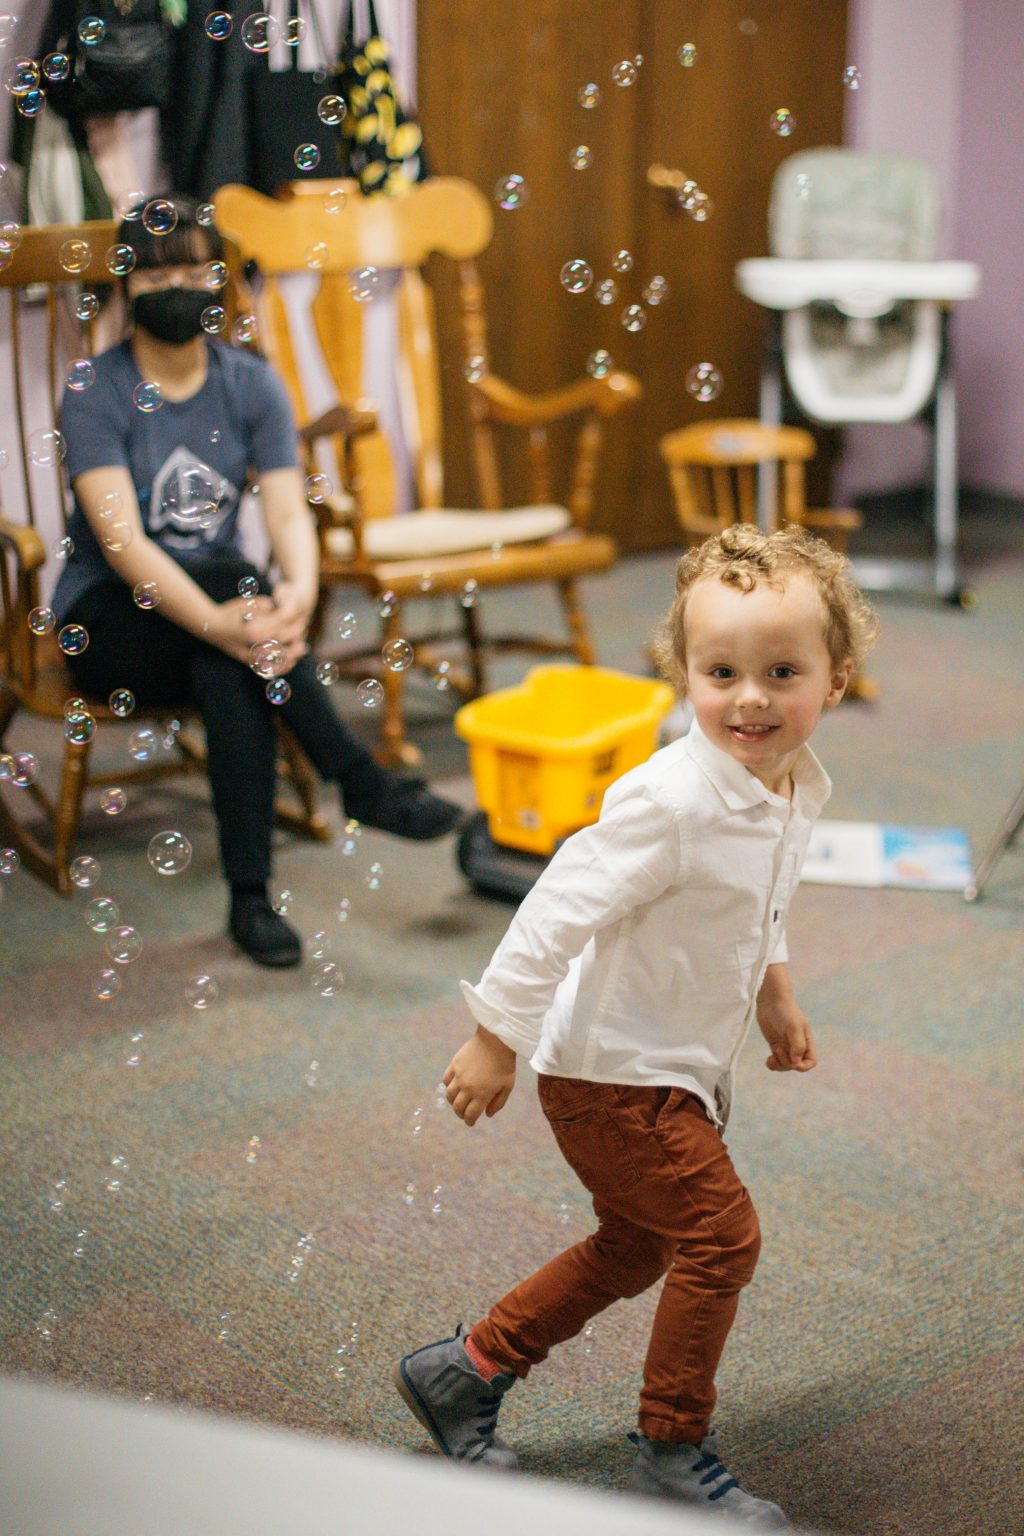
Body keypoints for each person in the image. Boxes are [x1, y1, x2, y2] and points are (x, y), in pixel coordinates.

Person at [393, 524, 880, 1528]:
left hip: (674, 1068)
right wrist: (495, 1037)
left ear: (836, 680)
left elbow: (762, 900)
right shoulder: (670, 801)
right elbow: (556, 908)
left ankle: (466, 1369)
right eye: (720, 672)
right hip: (613, 1075)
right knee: (720, 1239)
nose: (748, 698)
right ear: (682, 674)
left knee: (636, 1245)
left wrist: (775, 993)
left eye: (781, 672)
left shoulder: (790, 784)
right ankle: (670, 1448)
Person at [51, 194, 462, 968]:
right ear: (124, 285)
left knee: (232, 660)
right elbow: (124, 543)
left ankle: (252, 897)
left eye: (194, 269)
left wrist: (298, 594)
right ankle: (356, 779)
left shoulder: (251, 382)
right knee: (236, 599)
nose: (177, 285)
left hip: (215, 621)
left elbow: (285, 511)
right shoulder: (94, 389)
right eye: (154, 273)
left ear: (221, 278)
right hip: (109, 619)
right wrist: (226, 621)